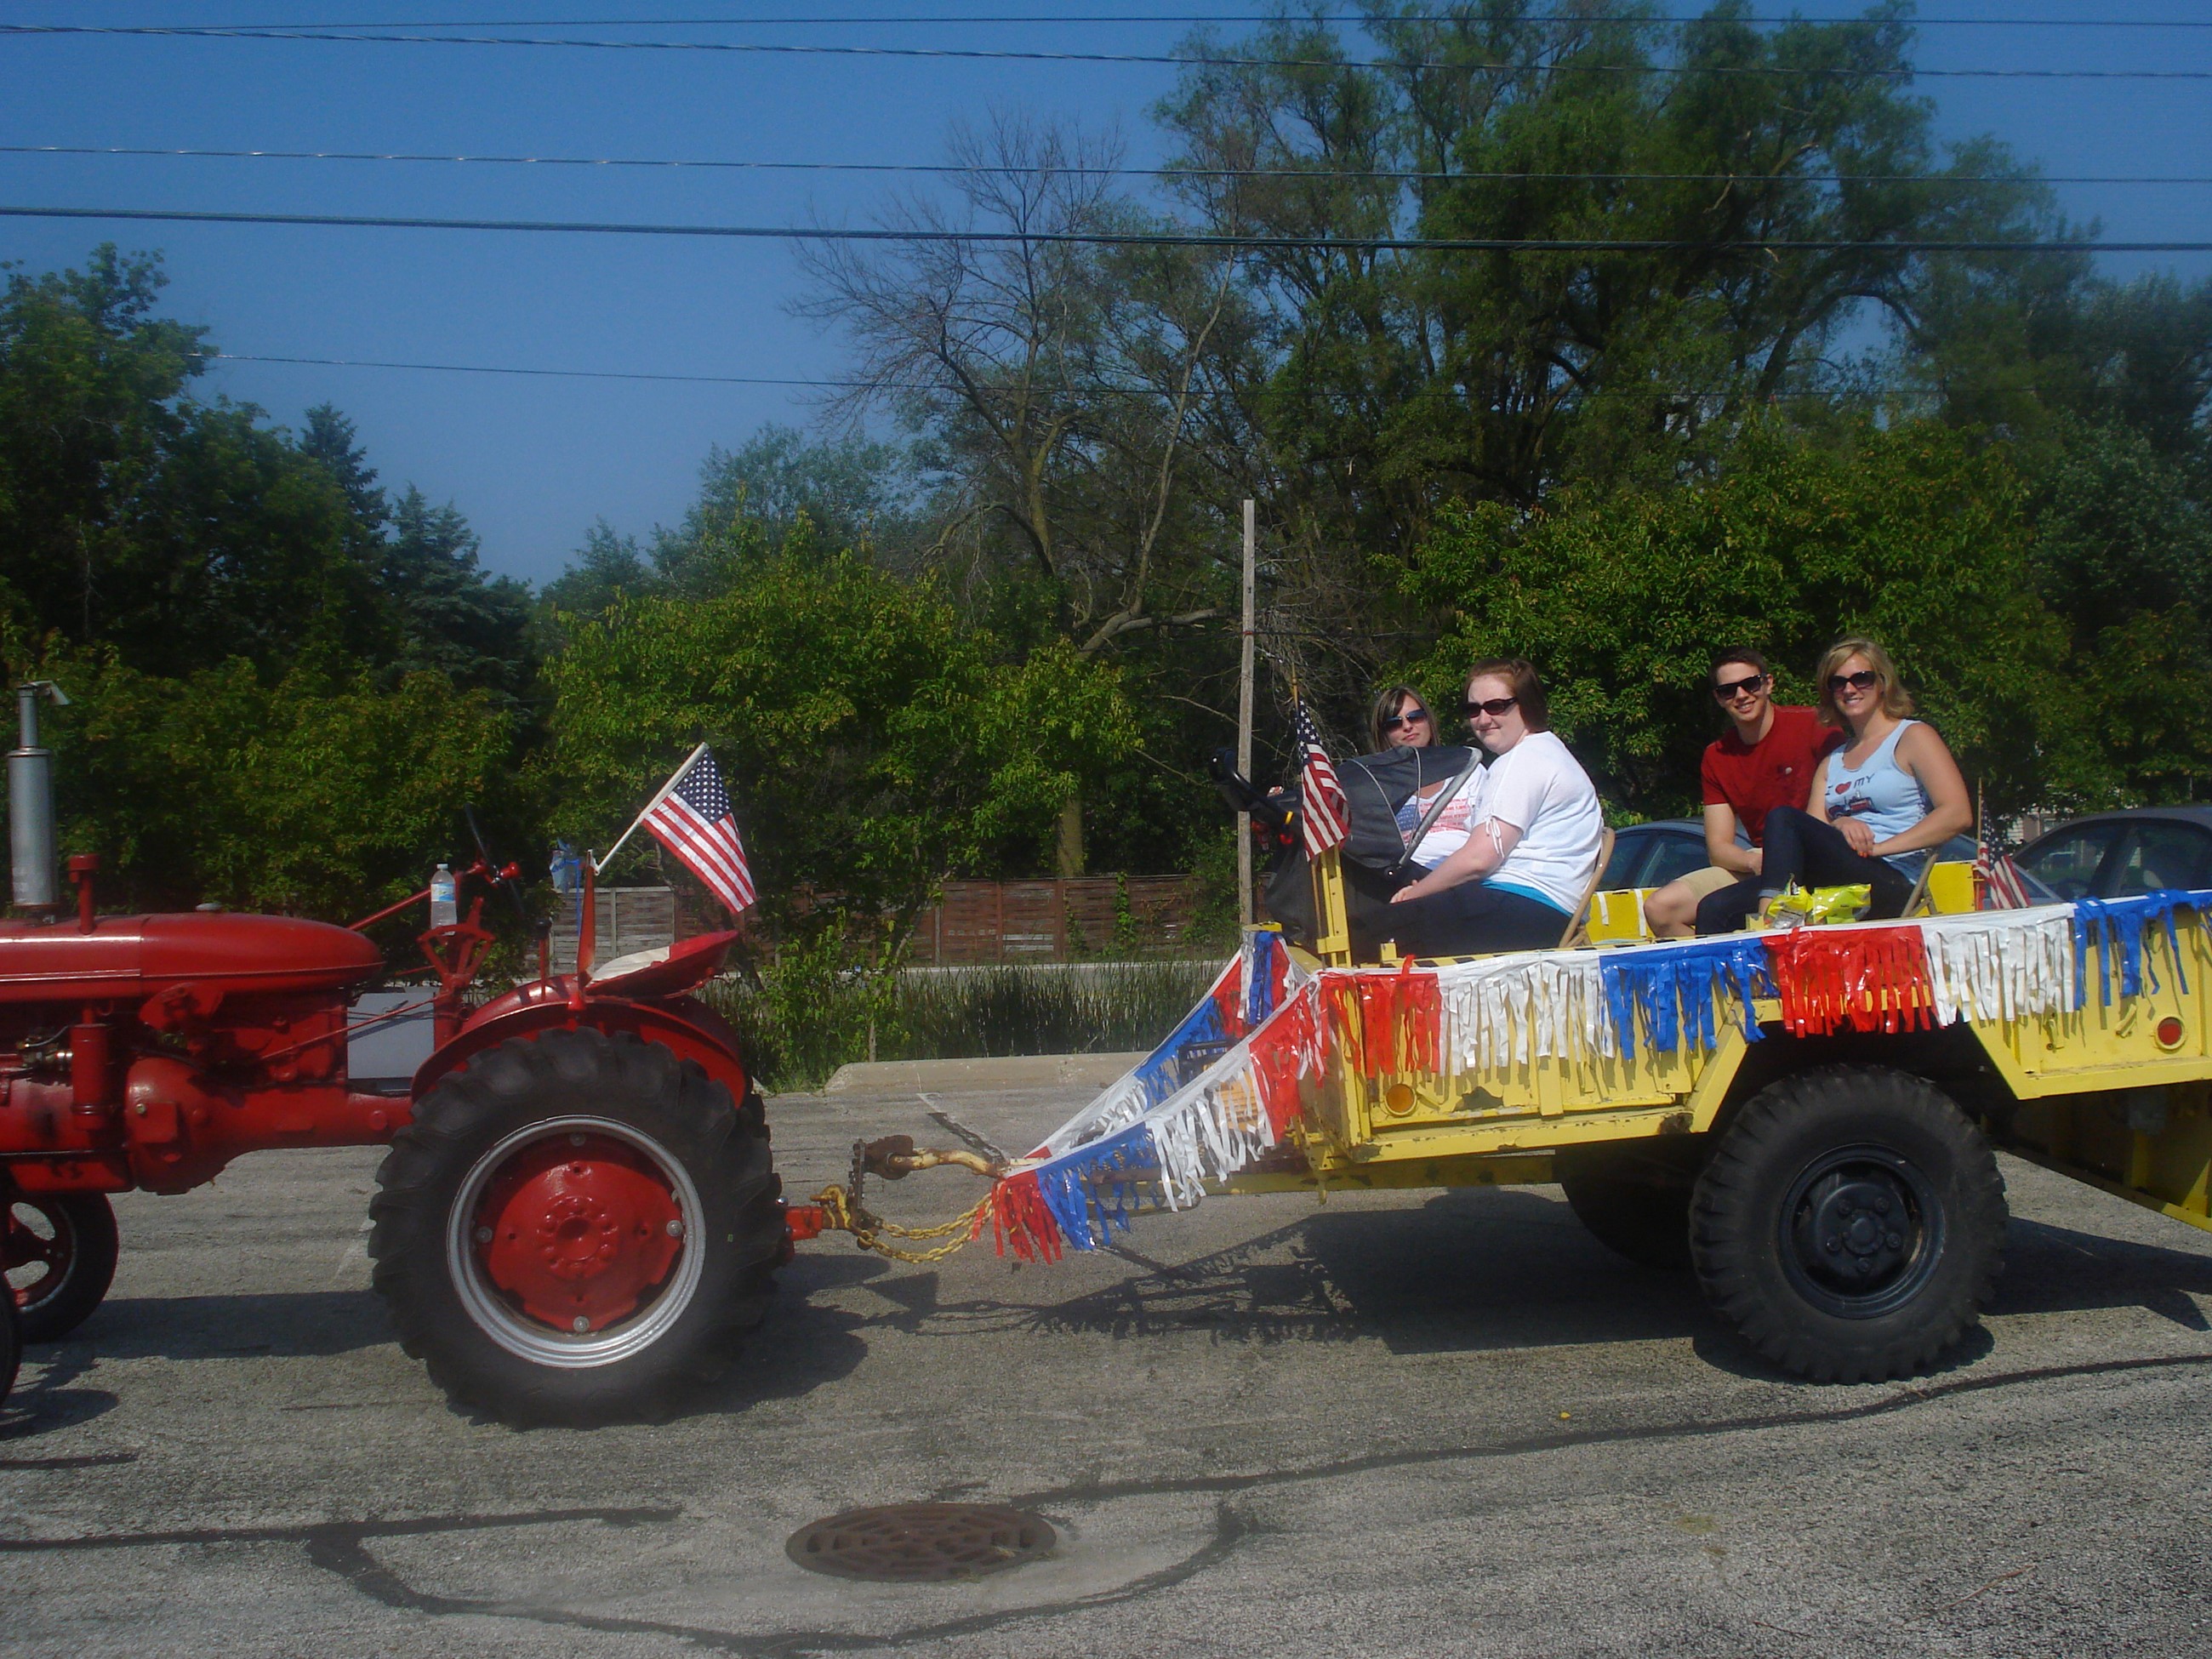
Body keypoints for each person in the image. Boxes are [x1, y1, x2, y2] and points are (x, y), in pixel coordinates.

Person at [1696, 637, 1971, 933]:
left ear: (1882, 682)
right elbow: (1810, 835)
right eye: (1838, 683)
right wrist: (1839, 824)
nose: (1849, 689)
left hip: (1892, 876)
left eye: (1861, 679)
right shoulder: (1833, 760)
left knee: (1783, 816)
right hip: (1841, 875)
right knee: (1713, 908)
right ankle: (1749, 971)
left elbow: (1957, 814)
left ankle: (1769, 928)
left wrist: (1880, 848)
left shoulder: (1913, 736)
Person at [1385, 658, 1605, 956]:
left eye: (1497, 706)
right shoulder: (1548, 750)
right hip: (1546, 911)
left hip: (1526, 908)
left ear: (1526, 704)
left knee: (1370, 934)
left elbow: (1478, 859)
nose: (1483, 718)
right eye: (1473, 709)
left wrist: (1414, 894)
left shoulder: (1522, 761)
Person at [1643, 648, 1844, 938]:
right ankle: (1725, 978)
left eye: (1750, 684)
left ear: (1768, 684)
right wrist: (1753, 861)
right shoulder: (1716, 756)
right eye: (1728, 690)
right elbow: (1719, 848)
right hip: (1760, 862)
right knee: (1660, 908)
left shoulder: (1814, 726)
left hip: (1818, 856)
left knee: (1718, 908)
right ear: (1718, 698)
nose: (1741, 695)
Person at [1369, 685, 1436, 752]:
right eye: (1394, 723)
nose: (1407, 726)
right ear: (1383, 734)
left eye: (1415, 716)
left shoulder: (1446, 756)